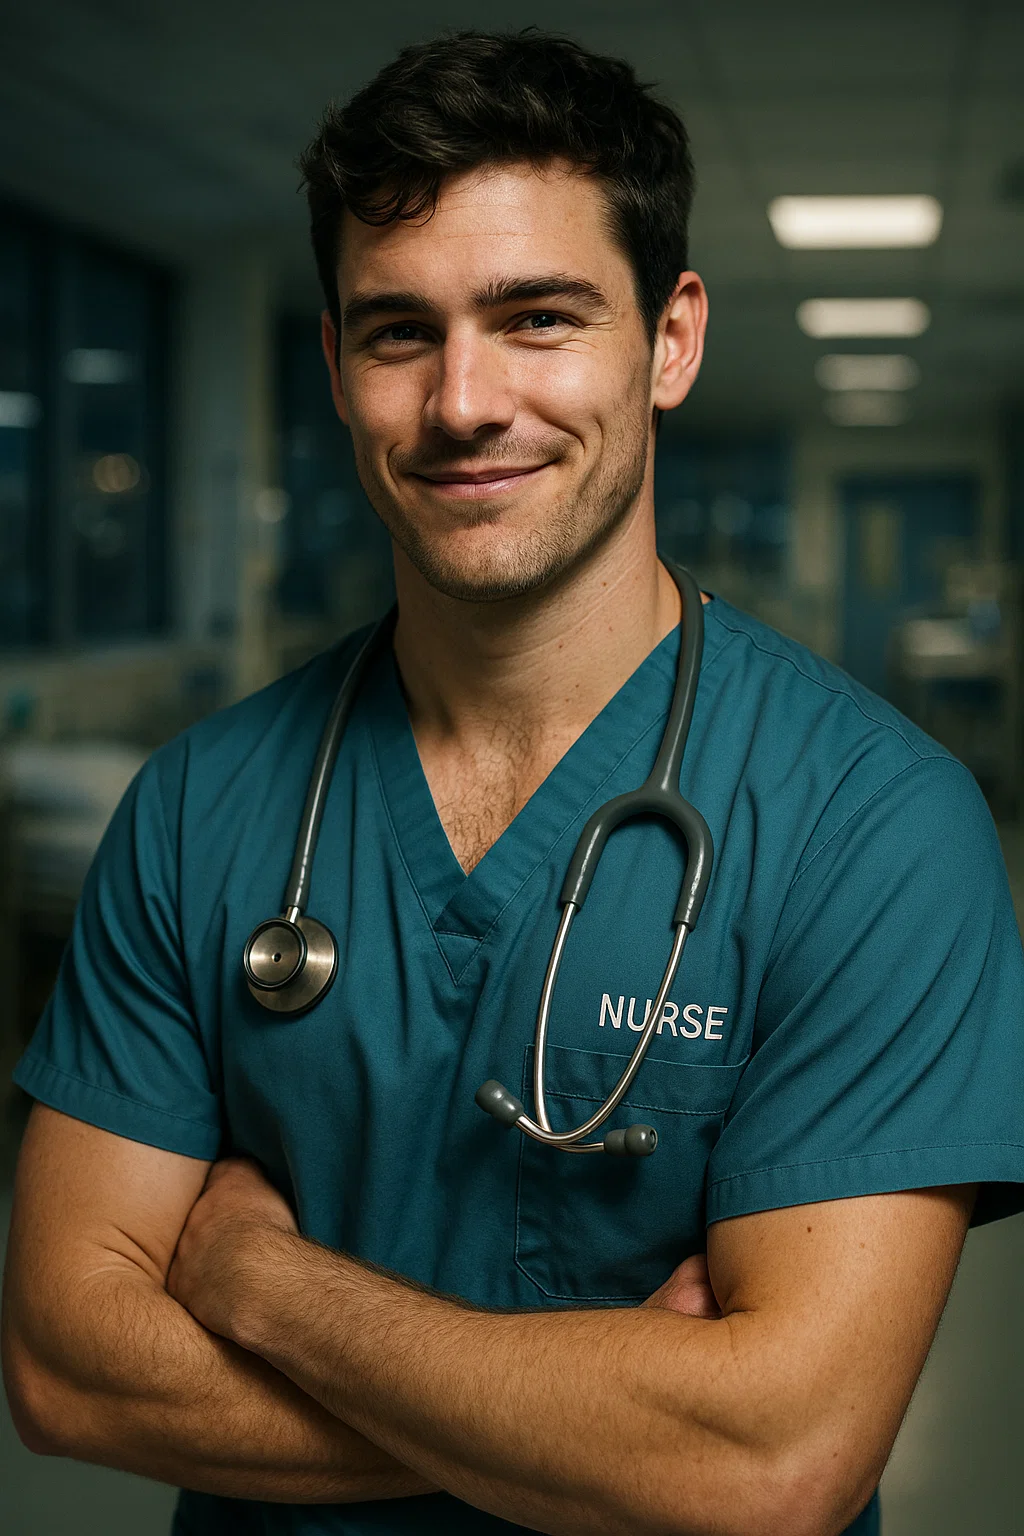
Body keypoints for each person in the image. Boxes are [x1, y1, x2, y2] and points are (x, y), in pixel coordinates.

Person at [4, 29, 1024, 1536]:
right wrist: (609, 1427)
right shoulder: (197, 810)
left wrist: (258, 1280)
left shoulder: (872, 827)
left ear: (668, 341)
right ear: (342, 366)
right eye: (397, 331)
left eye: (538, 317)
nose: (464, 401)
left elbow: (772, 1464)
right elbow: (67, 1369)